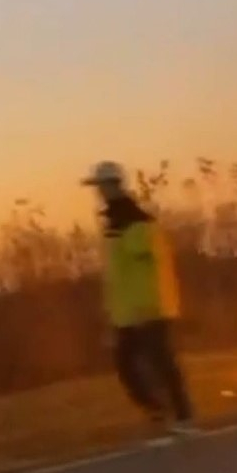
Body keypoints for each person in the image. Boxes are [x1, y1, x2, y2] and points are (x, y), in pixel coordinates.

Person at [82, 160, 198, 437]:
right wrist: (112, 313)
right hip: (127, 311)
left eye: (101, 186)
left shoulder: (135, 222)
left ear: (113, 186)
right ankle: (160, 412)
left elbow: (152, 267)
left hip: (148, 309)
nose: (98, 192)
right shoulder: (114, 223)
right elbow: (118, 275)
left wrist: (147, 307)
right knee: (126, 366)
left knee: (162, 362)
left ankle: (183, 416)